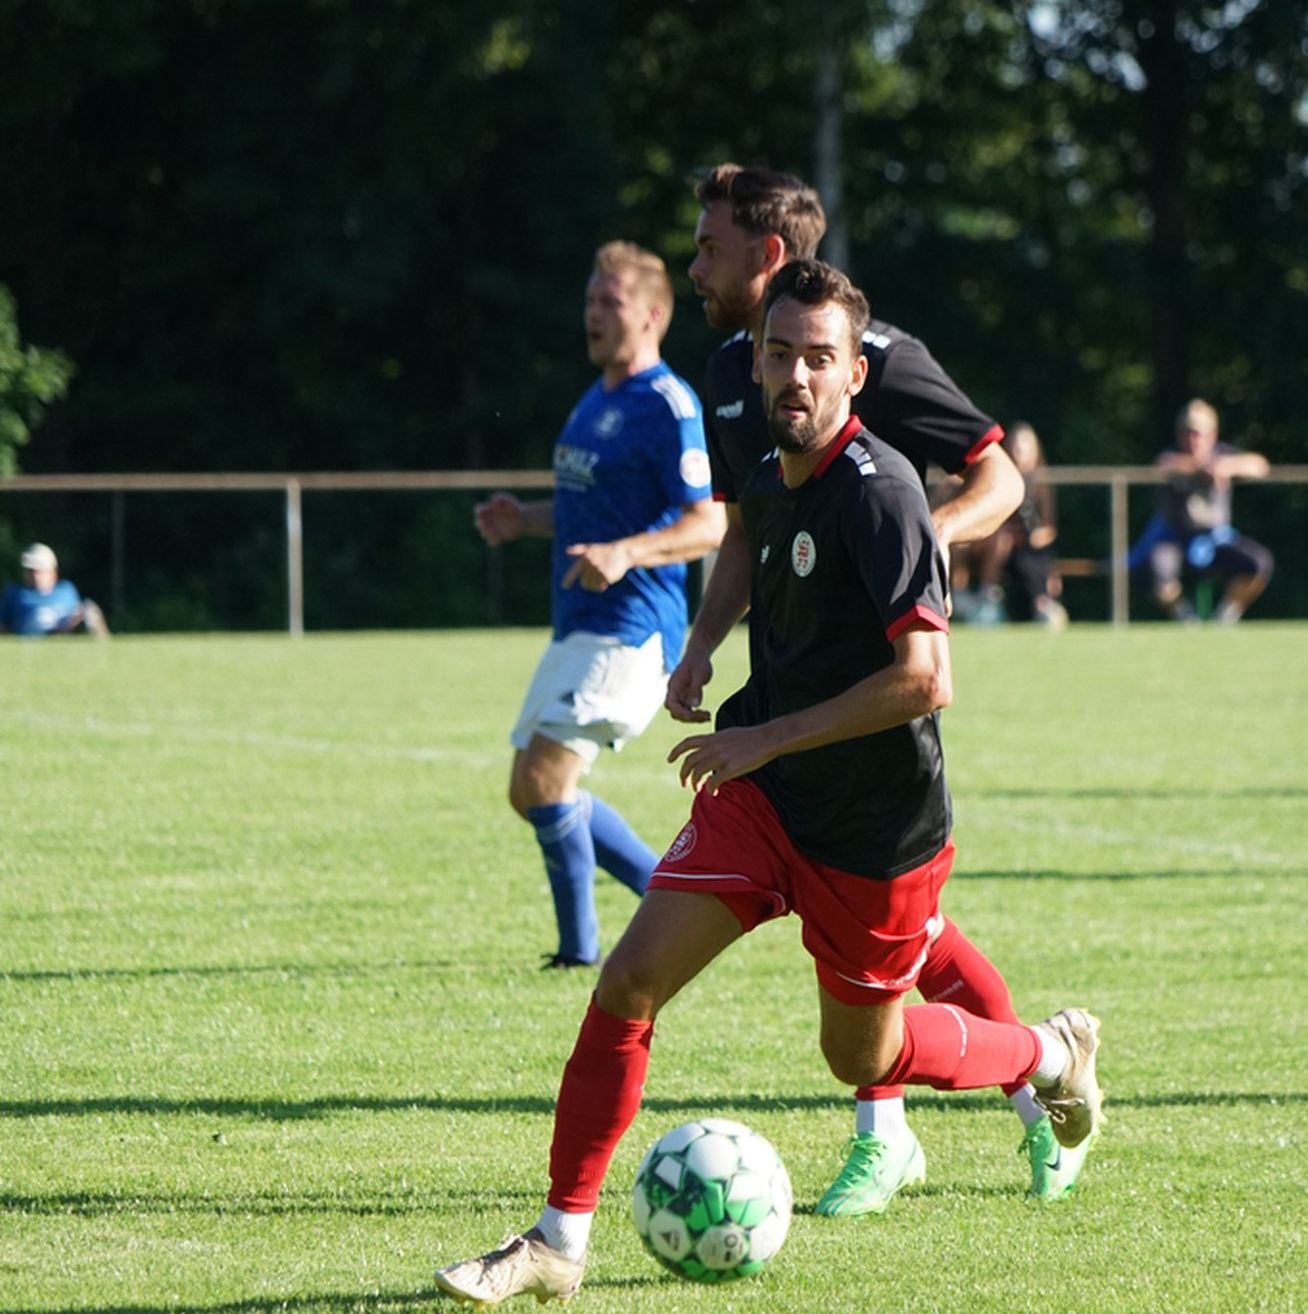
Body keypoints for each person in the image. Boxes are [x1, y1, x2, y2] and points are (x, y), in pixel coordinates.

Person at [433, 260, 1105, 1308]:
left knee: (864, 1056)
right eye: (780, 352)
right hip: (765, 797)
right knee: (629, 982)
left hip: (875, 831)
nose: (796, 374)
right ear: (757, 360)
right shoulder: (760, 457)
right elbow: (743, 544)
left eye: (819, 358)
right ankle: (559, 1241)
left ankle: (1047, 1053)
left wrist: (768, 736)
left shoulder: (883, 495)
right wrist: (705, 652)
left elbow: (927, 680)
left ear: (854, 374)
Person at [674, 164, 1087, 1214]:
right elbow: (745, 527)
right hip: (795, 713)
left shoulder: (881, 361)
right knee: (902, 940)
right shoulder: (732, 370)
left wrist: (909, 553)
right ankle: (904, 1131)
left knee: (900, 936)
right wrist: (703, 642)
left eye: (710, 247)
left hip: (885, 705)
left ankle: (1026, 1096)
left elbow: (1000, 477)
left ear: (770, 256)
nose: (695, 266)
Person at [474, 240, 725, 970]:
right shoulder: (597, 399)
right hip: (580, 626)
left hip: (632, 630)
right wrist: (525, 519)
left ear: (653, 315)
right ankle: (669, 897)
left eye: (609, 302)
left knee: (545, 782)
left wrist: (625, 553)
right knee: (529, 791)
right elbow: (592, 509)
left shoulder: (669, 403)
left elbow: (708, 524)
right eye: (589, 301)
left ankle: (581, 952)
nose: (593, 314)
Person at [1131, 398, 1274, 625]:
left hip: (1217, 539)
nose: (1192, 439)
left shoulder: (1223, 454)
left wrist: (1226, 467)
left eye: (1198, 433)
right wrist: (1201, 469)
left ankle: (1224, 617)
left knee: (1259, 561)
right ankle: (1187, 620)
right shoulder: (1171, 456)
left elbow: (1260, 465)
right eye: (1187, 432)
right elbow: (1163, 465)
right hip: (1177, 538)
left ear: (1212, 434)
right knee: (1157, 565)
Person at [960, 422, 1067, 627]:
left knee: (1034, 556)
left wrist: (1033, 537)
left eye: (1025, 449)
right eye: (1017, 448)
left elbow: (1049, 528)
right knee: (1003, 540)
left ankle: (1043, 605)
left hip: (1030, 547)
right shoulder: (1001, 478)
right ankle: (988, 599)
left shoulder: (1042, 485)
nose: (1020, 454)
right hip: (1000, 543)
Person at [0, 543, 108, 637]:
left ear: (52, 573)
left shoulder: (66, 590)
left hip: (67, 629)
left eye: (38, 571)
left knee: (89, 610)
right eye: (29, 570)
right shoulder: (15, 593)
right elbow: (2, 630)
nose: (33, 575)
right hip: (37, 635)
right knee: (40, 619)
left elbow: (76, 613)